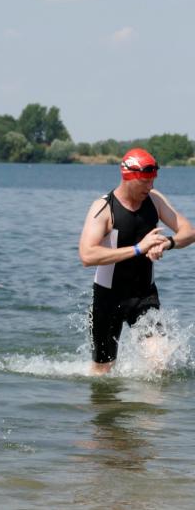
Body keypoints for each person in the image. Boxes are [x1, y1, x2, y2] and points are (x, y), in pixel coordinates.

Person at [78, 148, 195, 375]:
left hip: (144, 296)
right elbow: (87, 255)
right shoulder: (104, 208)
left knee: (160, 363)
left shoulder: (155, 200)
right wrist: (138, 249)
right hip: (107, 298)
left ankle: (147, 400)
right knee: (102, 372)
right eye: (145, 182)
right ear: (128, 177)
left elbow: (189, 232)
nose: (150, 187)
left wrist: (167, 243)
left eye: (152, 181)